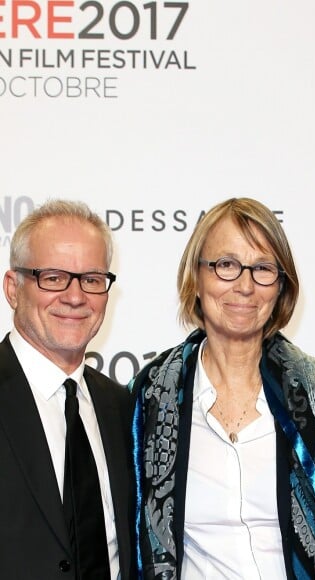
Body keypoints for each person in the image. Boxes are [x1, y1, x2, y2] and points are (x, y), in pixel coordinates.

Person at [129, 197, 315, 579]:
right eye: (226, 265)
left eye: (263, 268)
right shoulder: (147, 400)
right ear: (197, 278)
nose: (245, 285)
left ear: (281, 286)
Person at [0, 200, 135, 579]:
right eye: (53, 277)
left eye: (92, 279)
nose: (75, 297)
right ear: (13, 288)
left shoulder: (122, 408)